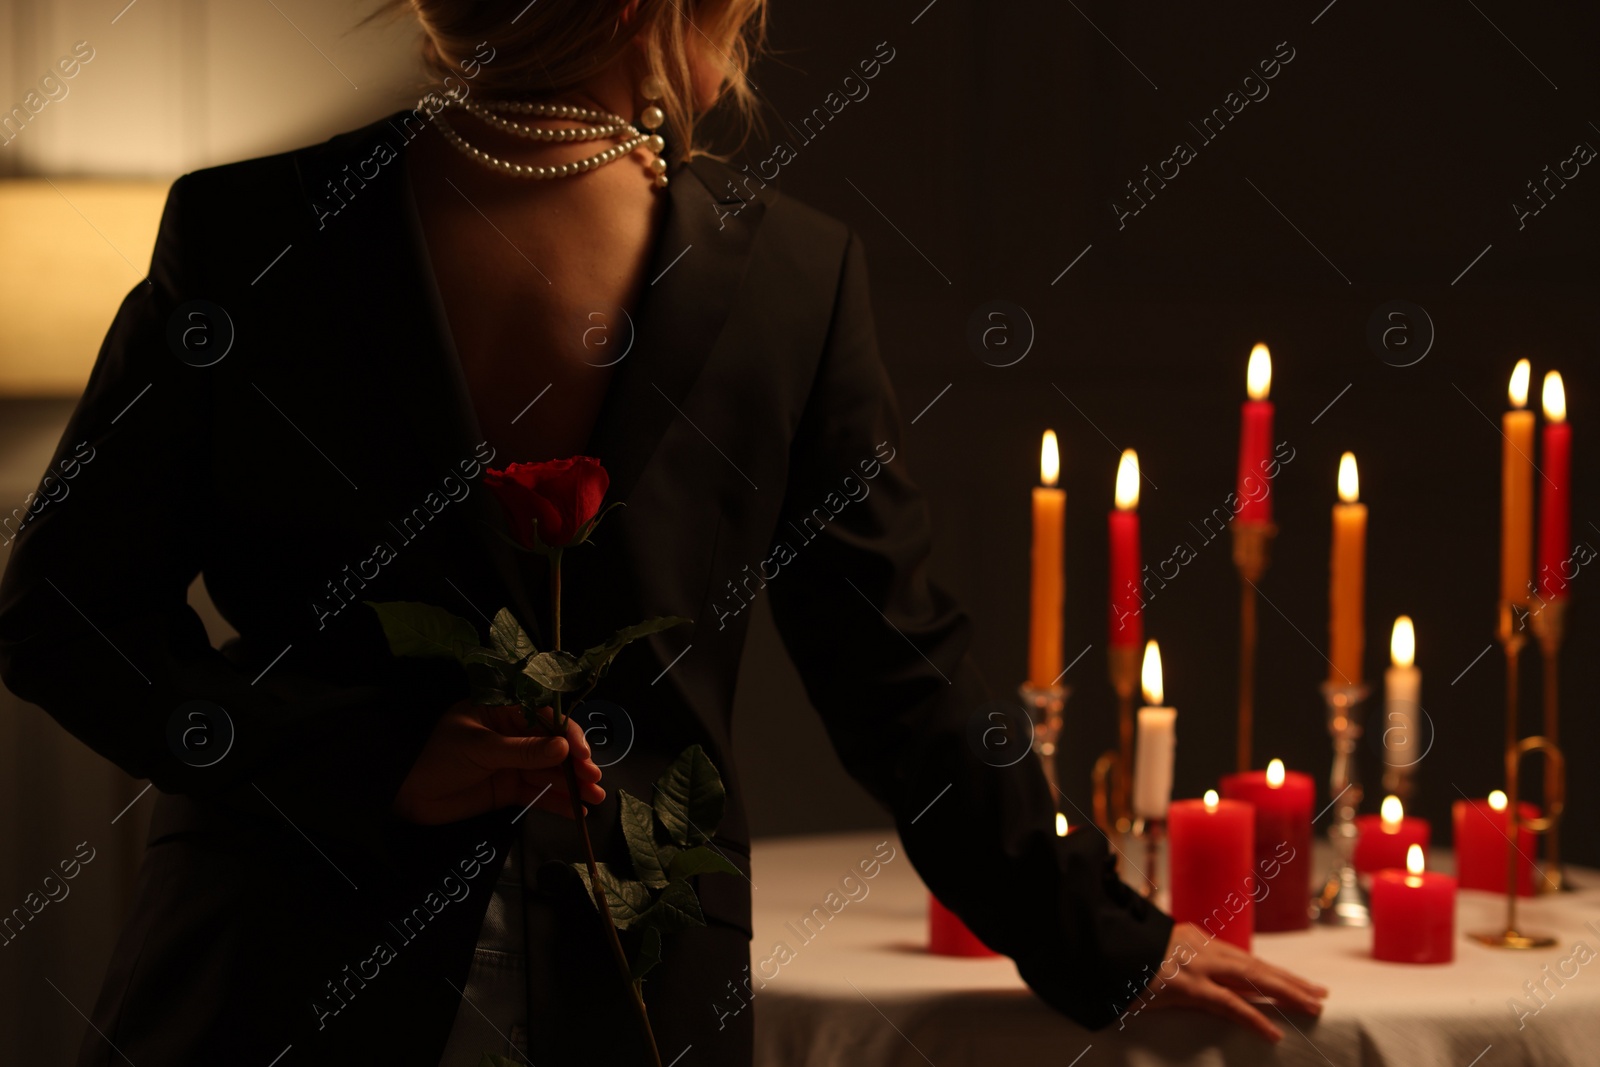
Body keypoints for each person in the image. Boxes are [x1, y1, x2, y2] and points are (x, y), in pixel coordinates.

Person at [0, 1, 1325, 1064]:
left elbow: (900, 681)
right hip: (288, 983)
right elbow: (904, 682)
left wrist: (1102, 937)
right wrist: (362, 760)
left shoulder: (786, 282)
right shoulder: (258, 235)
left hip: (564, 995)